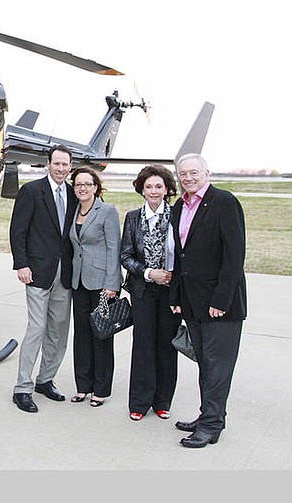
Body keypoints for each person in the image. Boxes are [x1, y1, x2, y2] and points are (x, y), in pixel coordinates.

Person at [169, 153, 247, 448]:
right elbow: (180, 255)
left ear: (206, 173)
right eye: (183, 174)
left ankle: (211, 426)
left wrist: (222, 300)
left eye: (193, 173)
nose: (188, 178)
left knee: (217, 365)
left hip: (220, 305)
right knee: (205, 362)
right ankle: (209, 415)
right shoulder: (181, 205)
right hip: (192, 301)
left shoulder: (224, 202)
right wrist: (177, 295)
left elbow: (234, 256)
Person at [9, 144, 77, 413]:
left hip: (65, 274)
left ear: (70, 167)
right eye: (56, 164)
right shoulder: (32, 191)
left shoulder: (73, 194)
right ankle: (22, 387)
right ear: (48, 164)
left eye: (65, 165)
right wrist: (21, 264)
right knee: (36, 329)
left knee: (58, 332)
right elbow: (18, 230)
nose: (61, 169)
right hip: (37, 271)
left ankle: (45, 380)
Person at [120, 164, 181, 421]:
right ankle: (139, 401)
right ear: (141, 190)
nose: (154, 191)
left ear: (166, 189)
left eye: (158, 186)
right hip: (143, 289)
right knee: (143, 344)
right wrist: (148, 272)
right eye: (149, 187)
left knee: (167, 345)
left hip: (170, 291)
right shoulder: (133, 217)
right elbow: (125, 255)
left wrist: (172, 276)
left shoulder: (178, 215)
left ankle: (162, 400)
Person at [68, 166, 122, 407]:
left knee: (100, 334)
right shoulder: (73, 211)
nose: (82, 188)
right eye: (78, 184)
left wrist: (113, 283)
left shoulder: (107, 211)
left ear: (96, 187)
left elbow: (114, 248)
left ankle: (100, 389)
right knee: (81, 335)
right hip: (78, 282)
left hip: (101, 284)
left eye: (87, 184)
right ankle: (83, 386)